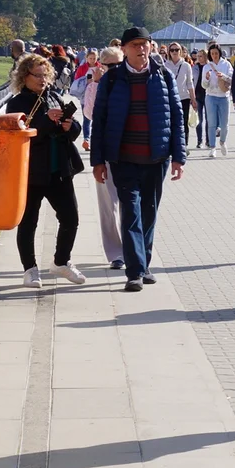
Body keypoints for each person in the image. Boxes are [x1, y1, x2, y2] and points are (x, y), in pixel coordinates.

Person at [90, 26, 186, 292]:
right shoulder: (111, 80)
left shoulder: (163, 76)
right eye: (135, 45)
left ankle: (144, 265)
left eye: (145, 44)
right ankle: (134, 272)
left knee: (149, 213)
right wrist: (98, 161)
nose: (141, 49)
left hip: (156, 159)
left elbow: (176, 119)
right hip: (124, 159)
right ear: (124, 49)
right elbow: (99, 121)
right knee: (130, 212)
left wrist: (179, 157)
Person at [5, 54, 86, 288]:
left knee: (71, 217)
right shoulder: (17, 102)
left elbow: (72, 131)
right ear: (24, 77)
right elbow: (20, 135)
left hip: (59, 168)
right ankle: (29, 270)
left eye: (45, 75)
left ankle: (61, 262)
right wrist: (46, 120)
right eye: (37, 75)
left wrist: (71, 126)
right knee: (29, 221)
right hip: (31, 170)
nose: (43, 80)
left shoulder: (54, 96)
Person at [83, 47, 125, 270]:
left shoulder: (130, 81)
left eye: (119, 64)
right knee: (108, 205)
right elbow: (89, 114)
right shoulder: (95, 86)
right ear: (101, 65)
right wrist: (96, 85)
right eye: (111, 65)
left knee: (130, 203)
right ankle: (115, 253)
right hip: (105, 151)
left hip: (128, 151)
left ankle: (132, 248)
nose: (116, 69)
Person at [202, 43, 233, 157]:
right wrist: (206, 79)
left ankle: (223, 141)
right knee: (211, 123)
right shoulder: (207, 67)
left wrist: (223, 76)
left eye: (216, 53)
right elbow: (204, 86)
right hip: (210, 96)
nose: (214, 55)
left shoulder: (226, 64)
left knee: (224, 123)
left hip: (223, 96)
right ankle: (212, 147)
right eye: (212, 53)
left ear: (220, 53)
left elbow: (231, 79)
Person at [165, 42, 195, 150]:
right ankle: (171, 145)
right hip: (169, 98)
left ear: (181, 51)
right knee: (170, 121)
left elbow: (190, 83)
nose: (174, 52)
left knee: (183, 122)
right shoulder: (165, 65)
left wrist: (193, 99)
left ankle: (184, 145)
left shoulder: (186, 65)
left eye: (177, 50)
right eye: (172, 50)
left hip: (183, 97)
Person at [71, 49, 99, 150]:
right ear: (86, 58)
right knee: (86, 118)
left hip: (97, 95)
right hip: (85, 96)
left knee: (97, 119)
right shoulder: (82, 68)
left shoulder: (100, 67)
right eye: (90, 58)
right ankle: (86, 140)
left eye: (94, 58)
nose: (92, 60)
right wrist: (86, 80)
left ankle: (95, 139)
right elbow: (76, 81)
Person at [192, 49, 209, 149]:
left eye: (201, 56)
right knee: (199, 119)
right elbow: (191, 81)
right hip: (197, 94)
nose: (198, 58)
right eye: (197, 56)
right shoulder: (195, 67)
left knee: (208, 119)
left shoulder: (209, 67)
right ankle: (199, 141)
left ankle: (208, 140)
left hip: (207, 94)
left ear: (205, 56)